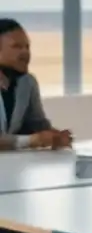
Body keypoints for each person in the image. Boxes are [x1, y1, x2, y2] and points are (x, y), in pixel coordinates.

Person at [0, 19, 72, 151]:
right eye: (16, 47)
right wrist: (31, 140)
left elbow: (36, 123)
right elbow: (32, 139)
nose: (25, 53)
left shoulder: (27, 83)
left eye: (27, 47)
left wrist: (55, 136)